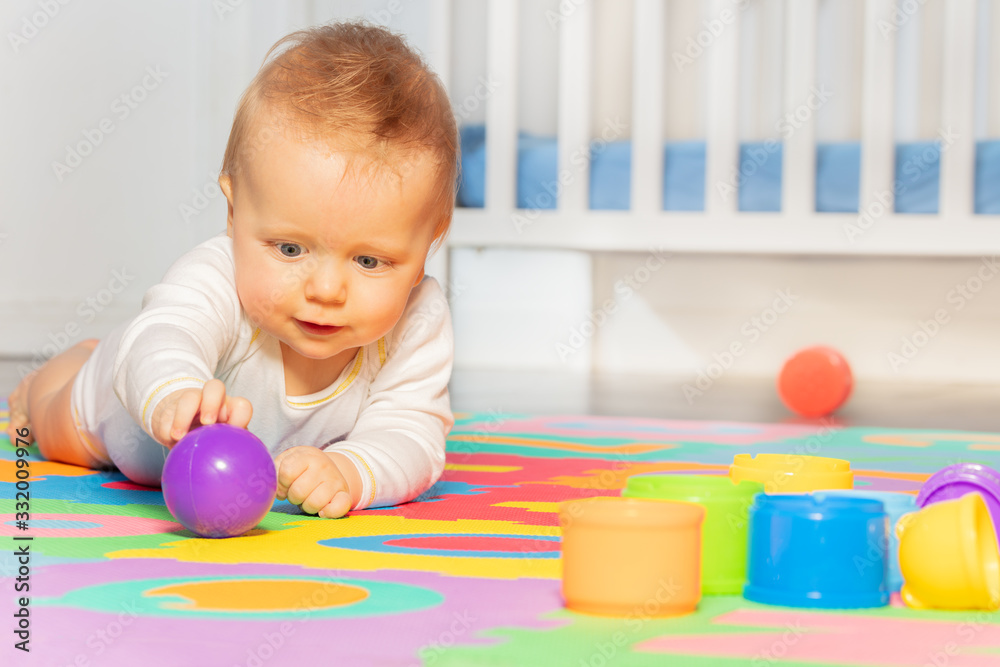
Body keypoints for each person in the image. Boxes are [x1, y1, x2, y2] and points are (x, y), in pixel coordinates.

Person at [6, 22, 459, 519]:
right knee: (53, 428)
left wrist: (351, 471)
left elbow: (413, 431)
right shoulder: (217, 275)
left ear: (427, 245)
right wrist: (175, 392)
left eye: (369, 261)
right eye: (289, 249)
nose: (326, 289)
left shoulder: (418, 322)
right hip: (124, 415)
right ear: (233, 212)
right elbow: (165, 333)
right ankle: (56, 375)